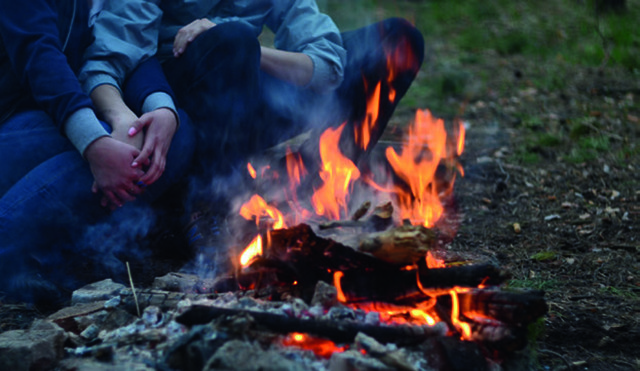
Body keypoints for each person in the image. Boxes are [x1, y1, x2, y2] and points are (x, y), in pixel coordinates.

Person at [0, 0, 196, 307]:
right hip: (13, 123)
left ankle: (60, 244)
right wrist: (94, 143)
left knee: (173, 135)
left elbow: (128, 50)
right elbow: (38, 54)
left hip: (59, 116)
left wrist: (158, 108)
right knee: (113, 147)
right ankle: (13, 242)